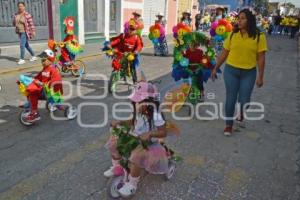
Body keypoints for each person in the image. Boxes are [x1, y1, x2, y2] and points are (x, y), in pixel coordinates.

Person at [104, 82, 168, 197]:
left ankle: (132, 184)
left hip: (148, 144)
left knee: (135, 157)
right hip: (136, 138)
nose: (135, 103)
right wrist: (120, 122)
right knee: (114, 143)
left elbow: (163, 132)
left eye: (139, 101)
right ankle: (117, 167)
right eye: (135, 100)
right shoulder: (139, 109)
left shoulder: (156, 115)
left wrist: (150, 133)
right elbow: (134, 122)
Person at [211, 8, 268, 136]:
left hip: (249, 72)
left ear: (249, 20)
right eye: (239, 18)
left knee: (245, 100)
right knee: (231, 98)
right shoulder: (233, 34)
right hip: (231, 71)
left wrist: (261, 76)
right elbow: (224, 53)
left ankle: (241, 112)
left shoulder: (260, 36)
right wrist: (215, 68)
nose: (239, 21)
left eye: (243, 18)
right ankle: (228, 125)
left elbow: (261, 57)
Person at [23, 49, 63, 122]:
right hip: (44, 90)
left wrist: (43, 84)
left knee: (33, 92)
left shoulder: (53, 70)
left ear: (50, 60)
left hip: (49, 92)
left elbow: (57, 80)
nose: (42, 62)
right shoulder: (45, 69)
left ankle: (35, 113)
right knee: (29, 89)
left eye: (44, 60)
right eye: (41, 60)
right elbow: (38, 77)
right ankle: (31, 105)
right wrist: (29, 80)